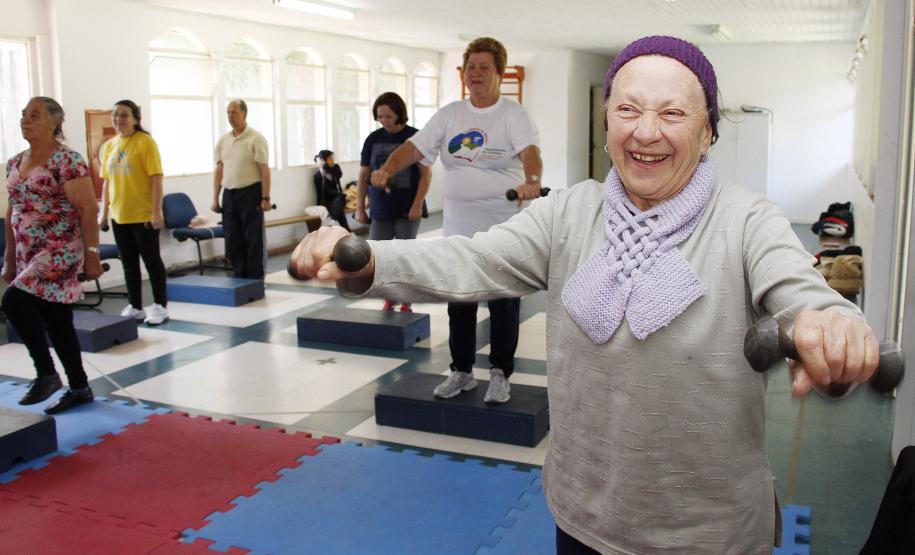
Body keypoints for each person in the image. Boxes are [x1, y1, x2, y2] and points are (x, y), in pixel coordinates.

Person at [288, 36, 880, 553]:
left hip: (710, 533)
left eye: (672, 113)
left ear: (707, 133)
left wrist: (826, 320)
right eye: (627, 109)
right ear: (607, 124)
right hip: (584, 516)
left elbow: (799, 288)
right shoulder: (570, 213)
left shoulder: (748, 220)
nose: (645, 131)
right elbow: (472, 257)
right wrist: (368, 257)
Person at [369, 37, 544, 404]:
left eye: (484, 67)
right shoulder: (450, 115)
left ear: (498, 73)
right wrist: (387, 168)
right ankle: (461, 371)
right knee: (459, 300)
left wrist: (531, 182)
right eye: (471, 67)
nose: (476, 73)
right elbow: (414, 148)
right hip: (459, 230)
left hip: (503, 230)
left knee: (502, 301)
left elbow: (530, 153)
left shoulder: (513, 115)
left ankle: (500, 373)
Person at [1, 97, 103, 414]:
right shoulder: (14, 162)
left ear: (55, 122)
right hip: (27, 249)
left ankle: (46, 373)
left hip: (60, 248)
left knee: (14, 302)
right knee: (57, 319)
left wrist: (92, 254)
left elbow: (88, 209)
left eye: (34, 115)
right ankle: (80, 387)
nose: (25, 120)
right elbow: (11, 211)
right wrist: (10, 257)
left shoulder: (67, 161)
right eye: (23, 115)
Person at [357, 92, 432, 312]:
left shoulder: (414, 137)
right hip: (380, 207)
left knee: (404, 255)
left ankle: (407, 300)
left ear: (399, 114)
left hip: (408, 206)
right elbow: (363, 176)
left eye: (388, 116)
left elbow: (426, 175)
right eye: (380, 116)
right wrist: (361, 207)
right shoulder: (373, 139)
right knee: (380, 256)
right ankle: (389, 296)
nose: (384, 121)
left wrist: (417, 204)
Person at [98, 99, 169, 325]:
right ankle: (136, 306)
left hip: (143, 214)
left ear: (136, 118)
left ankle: (160, 305)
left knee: (151, 261)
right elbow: (106, 182)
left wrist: (156, 212)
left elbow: (156, 179)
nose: (119, 119)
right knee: (129, 263)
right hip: (120, 215)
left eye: (124, 114)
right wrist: (103, 211)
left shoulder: (145, 142)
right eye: (116, 115)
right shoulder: (109, 146)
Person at [212, 99, 272, 279]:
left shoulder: (255, 138)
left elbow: (264, 170)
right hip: (229, 194)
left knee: (253, 238)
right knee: (232, 237)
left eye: (234, 112)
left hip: (251, 192)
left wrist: (265, 198)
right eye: (228, 113)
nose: (230, 116)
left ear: (244, 114)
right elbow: (220, 169)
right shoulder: (224, 141)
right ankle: (239, 276)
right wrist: (215, 197)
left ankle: (255, 278)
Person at [313, 149, 350, 232]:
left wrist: (332, 168)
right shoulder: (318, 175)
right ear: (324, 161)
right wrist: (343, 195)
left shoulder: (334, 169)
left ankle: (334, 220)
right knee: (339, 203)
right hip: (326, 201)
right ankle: (347, 230)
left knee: (339, 200)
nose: (333, 161)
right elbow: (327, 191)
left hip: (338, 198)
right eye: (330, 159)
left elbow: (339, 175)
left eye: (333, 158)